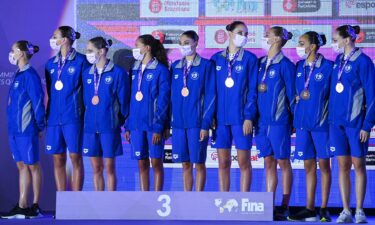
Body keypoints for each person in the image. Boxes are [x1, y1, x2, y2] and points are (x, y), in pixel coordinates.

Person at [329, 25, 375, 224]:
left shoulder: (364, 62)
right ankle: (346, 209)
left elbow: (372, 95)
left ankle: (359, 210)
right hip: (336, 123)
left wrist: (367, 124)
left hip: (356, 123)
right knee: (342, 166)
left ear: (347, 40)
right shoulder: (338, 61)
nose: (334, 43)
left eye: (336, 39)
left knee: (359, 165)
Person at [287, 31, 332, 222]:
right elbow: (296, 94)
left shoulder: (328, 67)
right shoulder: (299, 66)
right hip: (303, 125)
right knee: (307, 165)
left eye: (302, 42)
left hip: (321, 125)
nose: (298, 46)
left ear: (313, 46)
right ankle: (309, 208)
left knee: (324, 165)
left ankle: (323, 208)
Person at [210, 21, 258, 192]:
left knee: (244, 161)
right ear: (229, 33)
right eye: (240, 32)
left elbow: (253, 90)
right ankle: (224, 201)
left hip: (240, 119)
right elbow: (211, 92)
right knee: (223, 162)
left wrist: (248, 117)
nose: (243, 37)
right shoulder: (216, 59)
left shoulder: (250, 59)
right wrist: (211, 117)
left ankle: (244, 199)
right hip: (220, 119)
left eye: (246, 34)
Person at [255, 26, 296, 220]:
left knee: (283, 162)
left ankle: (285, 205)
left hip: (279, 122)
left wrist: (294, 119)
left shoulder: (286, 65)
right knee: (268, 162)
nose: (265, 37)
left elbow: (292, 95)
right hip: (261, 123)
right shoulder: (260, 63)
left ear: (278, 39)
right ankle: (269, 203)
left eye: (268, 35)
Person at [2, 41, 45, 219]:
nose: (10, 53)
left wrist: (40, 125)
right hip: (14, 130)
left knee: (32, 166)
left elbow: (37, 102)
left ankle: (35, 206)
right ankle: (22, 204)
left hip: (27, 129)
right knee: (21, 166)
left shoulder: (30, 75)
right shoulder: (18, 74)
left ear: (20, 53)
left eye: (12, 50)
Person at [82, 37, 130, 191]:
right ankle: (98, 202)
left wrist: (120, 121)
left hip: (109, 127)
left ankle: (110, 202)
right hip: (90, 127)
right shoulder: (86, 74)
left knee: (109, 168)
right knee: (96, 169)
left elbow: (124, 102)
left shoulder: (118, 73)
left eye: (90, 51)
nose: (87, 54)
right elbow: (85, 101)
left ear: (101, 51)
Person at [45, 26, 90, 191]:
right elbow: (50, 91)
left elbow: (87, 90)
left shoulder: (82, 61)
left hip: (74, 117)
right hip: (54, 118)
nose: (52, 39)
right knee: (57, 158)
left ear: (64, 39)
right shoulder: (50, 64)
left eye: (55, 36)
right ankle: (62, 200)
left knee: (75, 157)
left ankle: (76, 200)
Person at [170, 30, 216, 191]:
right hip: (178, 124)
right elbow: (171, 97)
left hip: (197, 123)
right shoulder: (175, 66)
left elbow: (211, 96)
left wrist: (205, 124)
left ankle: (199, 196)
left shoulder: (206, 65)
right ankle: (187, 196)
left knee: (199, 163)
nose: (184, 46)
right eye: (181, 43)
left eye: (187, 42)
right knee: (185, 163)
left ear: (196, 42)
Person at [125, 34, 171, 191]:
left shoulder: (161, 70)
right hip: (137, 125)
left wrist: (159, 127)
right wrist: (128, 125)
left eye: (137, 45)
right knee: (141, 162)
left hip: (153, 125)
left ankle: (157, 198)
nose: (135, 49)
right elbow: (131, 99)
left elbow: (164, 101)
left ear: (147, 48)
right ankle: (145, 198)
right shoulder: (134, 69)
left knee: (156, 162)